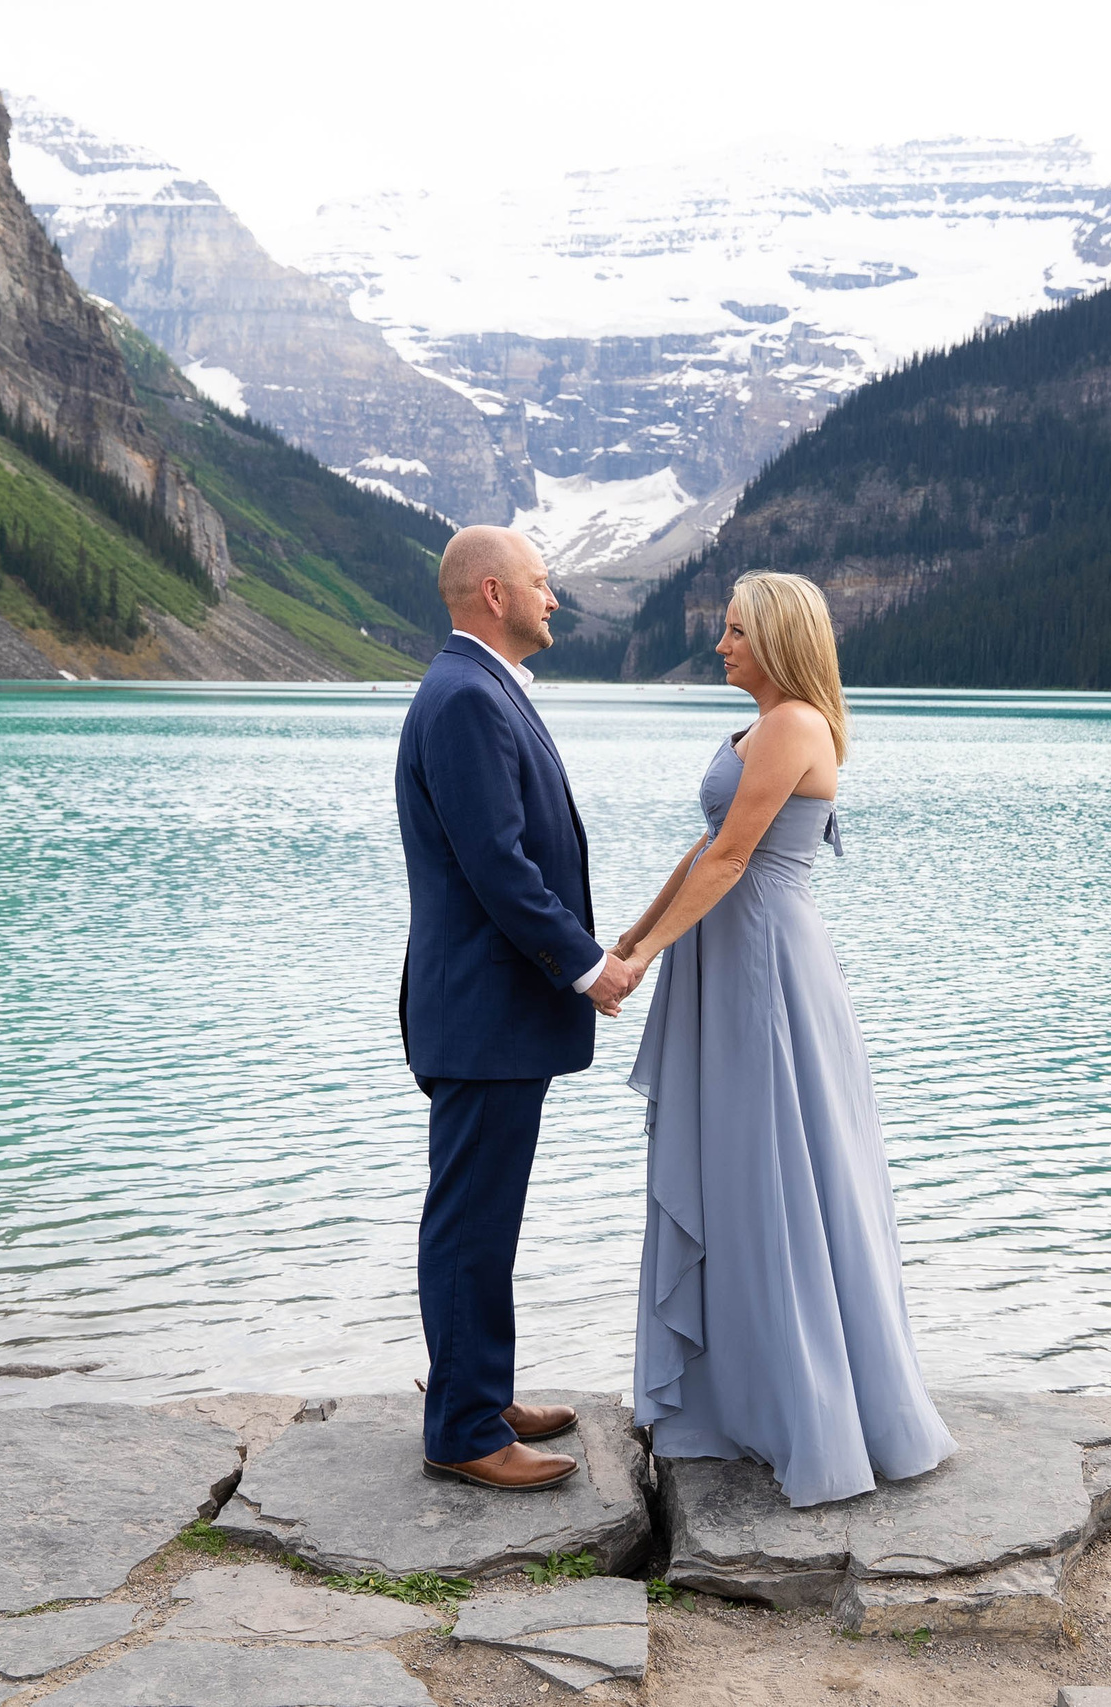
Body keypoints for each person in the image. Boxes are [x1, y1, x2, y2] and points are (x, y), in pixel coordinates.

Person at [614, 570, 956, 1507]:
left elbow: (732, 858)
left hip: (765, 967)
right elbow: (703, 850)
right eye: (721, 630)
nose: (719, 644)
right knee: (738, 1169)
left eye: (733, 632)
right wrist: (634, 939)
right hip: (726, 958)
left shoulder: (798, 723)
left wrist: (643, 960)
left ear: (775, 637)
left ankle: (805, 1409)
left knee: (779, 1171)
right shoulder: (759, 727)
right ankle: (740, 1394)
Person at [395, 526, 643, 1491]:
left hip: (488, 1009)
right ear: (493, 593)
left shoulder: (478, 688)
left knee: (484, 1214)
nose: (556, 599)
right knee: (469, 1218)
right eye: (543, 585)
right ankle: (461, 1429)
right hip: (482, 1010)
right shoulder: (464, 697)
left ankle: (479, 1390)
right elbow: (499, 865)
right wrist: (586, 967)